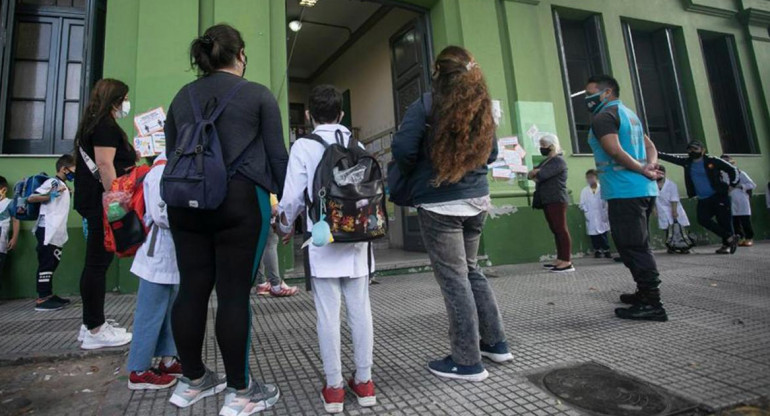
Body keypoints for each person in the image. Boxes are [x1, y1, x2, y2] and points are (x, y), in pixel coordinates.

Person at [164, 24, 287, 415]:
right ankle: (240, 390)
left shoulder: (182, 97)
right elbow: (277, 157)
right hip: (240, 202)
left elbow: (173, 153)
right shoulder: (258, 95)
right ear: (241, 55)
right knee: (233, 295)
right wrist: (290, 209)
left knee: (192, 288)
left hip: (185, 204)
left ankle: (193, 380)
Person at [392, 46, 512, 382]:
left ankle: (467, 360)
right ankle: (496, 343)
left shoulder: (427, 105)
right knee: (471, 271)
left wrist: (420, 169)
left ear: (437, 73)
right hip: (477, 201)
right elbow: (491, 154)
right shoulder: (483, 107)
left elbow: (402, 149)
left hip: (439, 202)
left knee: (455, 279)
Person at [276, 85, 377, 414]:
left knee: (327, 315)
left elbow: (291, 198)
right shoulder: (356, 144)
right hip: (358, 239)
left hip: (323, 239)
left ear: (308, 115)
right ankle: (364, 383)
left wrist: (285, 226)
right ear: (342, 114)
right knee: (360, 310)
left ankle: (334, 389)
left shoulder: (304, 146)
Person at [585, 74, 667, 322]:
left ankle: (653, 303)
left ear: (607, 92)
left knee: (633, 247)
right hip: (642, 189)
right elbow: (651, 147)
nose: (587, 99)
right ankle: (644, 293)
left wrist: (643, 169)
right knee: (633, 245)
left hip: (625, 190)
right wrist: (649, 167)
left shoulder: (604, 117)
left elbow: (613, 150)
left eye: (590, 93)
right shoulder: (629, 115)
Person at [74, 79, 135, 349]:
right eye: (124, 99)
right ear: (115, 100)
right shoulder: (105, 126)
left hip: (93, 201)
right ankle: (95, 328)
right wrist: (116, 199)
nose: (125, 105)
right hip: (102, 203)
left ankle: (91, 323)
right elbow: (104, 163)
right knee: (98, 264)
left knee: (96, 263)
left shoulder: (93, 124)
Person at [125, 152, 184, 389]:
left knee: (170, 312)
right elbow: (162, 215)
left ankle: (168, 360)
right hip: (156, 255)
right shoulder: (161, 169)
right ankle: (138, 370)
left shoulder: (174, 165)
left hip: (171, 255)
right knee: (150, 314)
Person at [658, 141, 739, 254]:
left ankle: (726, 245)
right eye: (690, 149)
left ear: (702, 150)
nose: (692, 151)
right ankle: (730, 238)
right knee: (702, 219)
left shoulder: (712, 161)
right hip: (703, 199)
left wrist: (732, 185)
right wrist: (655, 153)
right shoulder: (687, 162)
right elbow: (671, 158)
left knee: (724, 221)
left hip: (719, 196)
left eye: (695, 149)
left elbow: (732, 170)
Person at [26, 155, 76, 311]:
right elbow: (31, 198)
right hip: (47, 230)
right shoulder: (53, 182)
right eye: (74, 170)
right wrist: (51, 195)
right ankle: (42, 299)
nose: (74, 174)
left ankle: (48, 294)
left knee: (52, 263)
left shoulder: (61, 185)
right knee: (46, 263)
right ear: (64, 169)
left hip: (56, 231)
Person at [529, 135, 574, 272]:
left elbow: (541, 175)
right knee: (555, 229)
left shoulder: (558, 161)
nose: (541, 148)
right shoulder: (546, 162)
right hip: (547, 200)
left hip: (556, 199)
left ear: (552, 146)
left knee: (561, 229)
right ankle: (560, 258)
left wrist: (537, 173)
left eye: (543, 145)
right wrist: (535, 172)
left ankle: (566, 261)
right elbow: (531, 174)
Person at [255, 193, 299, 297]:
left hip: (252, 210)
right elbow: (273, 207)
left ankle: (261, 283)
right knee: (270, 244)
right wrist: (274, 204)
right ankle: (276, 285)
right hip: (266, 209)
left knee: (259, 246)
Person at [654, 165, 691, 252]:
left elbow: (674, 198)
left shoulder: (671, 184)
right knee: (668, 229)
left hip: (674, 209)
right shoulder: (652, 184)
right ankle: (671, 246)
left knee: (678, 229)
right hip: (661, 210)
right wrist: (654, 210)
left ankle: (683, 246)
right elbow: (651, 198)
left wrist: (674, 211)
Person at [721, 155, 756, 247]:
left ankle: (749, 238)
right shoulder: (721, 174)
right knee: (734, 221)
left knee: (745, 219)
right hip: (730, 199)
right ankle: (740, 237)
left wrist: (739, 186)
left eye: (727, 161)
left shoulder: (740, 173)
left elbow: (751, 184)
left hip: (741, 198)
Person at [579, 169, 611, 259]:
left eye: (591, 177)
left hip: (601, 214)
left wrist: (605, 211)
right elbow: (582, 204)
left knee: (603, 234)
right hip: (591, 215)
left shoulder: (602, 188)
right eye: (588, 178)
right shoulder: (585, 191)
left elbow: (606, 201)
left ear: (596, 178)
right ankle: (597, 250)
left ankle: (606, 250)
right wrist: (586, 211)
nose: (589, 179)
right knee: (594, 236)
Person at [0, 176, 20, 284]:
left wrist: (14, 238)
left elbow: (16, 220)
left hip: (1, 243)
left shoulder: (10, 203)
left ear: (4, 190)